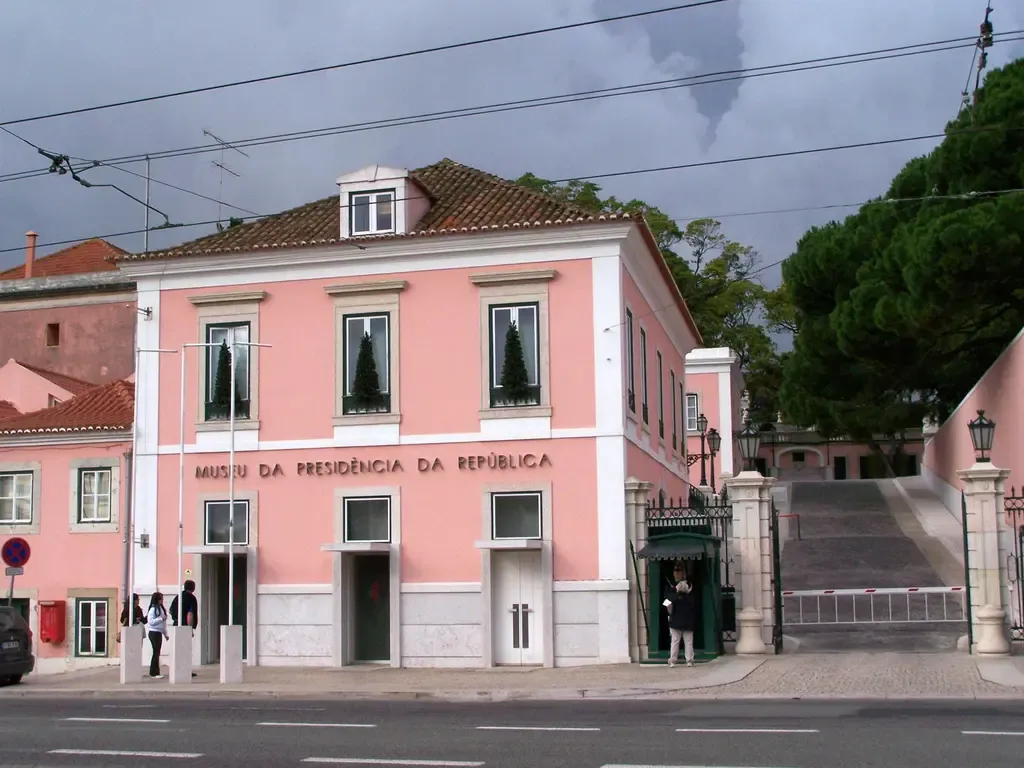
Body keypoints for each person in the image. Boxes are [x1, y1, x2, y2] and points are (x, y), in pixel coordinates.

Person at [169, 580, 199, 678]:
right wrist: (190, 629)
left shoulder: (178, 597)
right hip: (185, 625)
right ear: (193, 588)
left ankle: (177, 669)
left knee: (177, 649)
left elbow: (170, 610)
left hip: (176, 624)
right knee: (186, 650)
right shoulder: (191, 598)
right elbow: (190, 614)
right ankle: (186, 670)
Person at [667, 577, 697, 668]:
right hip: (688, 623)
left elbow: (666, 605)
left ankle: (672, 661)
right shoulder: (691, 598)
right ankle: (689, 661)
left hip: (675, 623)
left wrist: (672, 593)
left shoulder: (673, 597)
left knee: (675, 642)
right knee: (688, 643)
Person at [146, 592, 170, 679]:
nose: (162, 600)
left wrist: (165, 634)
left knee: (157, 652)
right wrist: (160, 619)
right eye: (160, 599)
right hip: (153, 632)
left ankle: (156, 671)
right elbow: (150, 622)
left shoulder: (161, 609)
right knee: (156, 652)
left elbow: (163, 625)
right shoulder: (153, 609)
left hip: (159, 632)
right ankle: (153, 672)